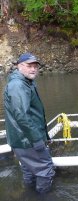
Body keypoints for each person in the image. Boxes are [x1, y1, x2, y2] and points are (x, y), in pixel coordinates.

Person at [3, 53, 55, 193]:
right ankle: (43, 197)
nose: (33, 69)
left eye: (35, 66)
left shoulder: (26, 82)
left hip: (22, 139)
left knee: (29, 170)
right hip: (26, 140)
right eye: (29, 66)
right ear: (19, 66)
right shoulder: (18, 85)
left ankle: (29, 195)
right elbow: (21, 116)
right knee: (45, 169)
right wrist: (37, 139)